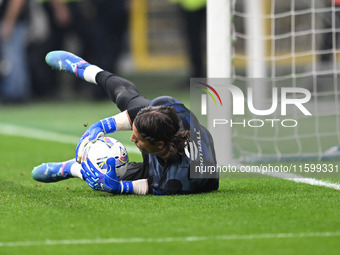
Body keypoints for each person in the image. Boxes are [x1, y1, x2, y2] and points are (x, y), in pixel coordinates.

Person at [32, 50, 219, 195]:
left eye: (137, 139)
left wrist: (115, 187)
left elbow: (143, 187)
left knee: (103, 178)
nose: (131, 139)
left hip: (171, 175)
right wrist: (99, 127)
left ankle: (71, 168)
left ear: (159, 144)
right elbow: (139, 113)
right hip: (164, 152)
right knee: (127, 96)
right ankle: (84, 68)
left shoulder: (173, 180)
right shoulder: (170, 108)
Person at [0, 0, 31, 103]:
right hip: (12, 22)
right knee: (12, 59)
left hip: (14, 24)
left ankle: (15, 94)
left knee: (13, 59)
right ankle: (14, 93)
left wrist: (9, 22)